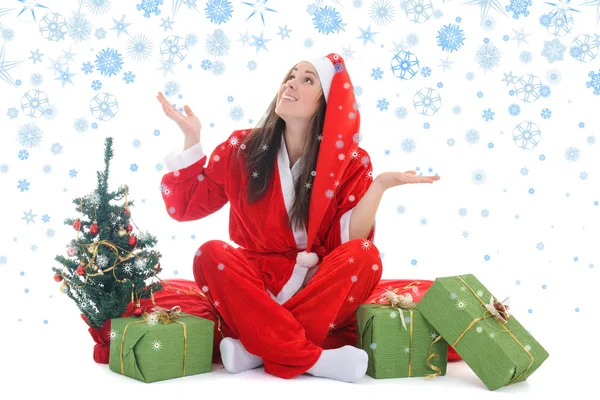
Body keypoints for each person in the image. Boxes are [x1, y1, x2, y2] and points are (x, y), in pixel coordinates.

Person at [156, 53, 441, 383]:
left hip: (314, 285)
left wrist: (379, 187)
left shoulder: (352, 161)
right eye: (291, 75)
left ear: (329, 102)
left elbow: (345, 242)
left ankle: (258, 346)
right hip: (255, 281)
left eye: (308, 79)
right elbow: (186, 207)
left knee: (365, 256)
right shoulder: (242, 148)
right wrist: (192, 138)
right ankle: (311, 358)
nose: (291, 82)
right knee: (211, 253)